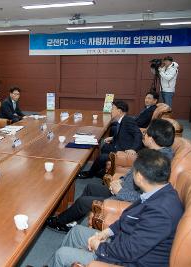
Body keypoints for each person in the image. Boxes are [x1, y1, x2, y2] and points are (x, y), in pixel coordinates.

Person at [50, 149, 183, 267]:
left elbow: (130, 252)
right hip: (121, 241)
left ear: (140, 177)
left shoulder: (161, 212)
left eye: (134, 171)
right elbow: (128, 219)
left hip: (128, 261)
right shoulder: (158, 192)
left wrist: (99, 246)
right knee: (76, 231)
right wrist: (106, 232)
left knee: (62, 255)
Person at [46, 118, 175, 232]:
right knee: (90, 188)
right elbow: (134, 174)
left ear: (151, 139)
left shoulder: (158, 163)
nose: (143, 134)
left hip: (125, 198)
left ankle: (59, 222)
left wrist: (120, 191)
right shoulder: (156, 154)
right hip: (124, 188)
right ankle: (71, 220)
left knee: (83, 202)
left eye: (146, 133)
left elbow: (146, 196)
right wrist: (120, 181)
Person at [78, 100, 142, 179]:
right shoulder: (122, 120)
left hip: (123, 150)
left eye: (113, 108)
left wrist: (133, 149)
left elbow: (138, 134)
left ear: (119, 111)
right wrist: (112, 138)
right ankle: (103, 170)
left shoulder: (127, 120)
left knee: (101, 157)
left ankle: (90, 174)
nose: (111, 111)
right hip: (119, 145)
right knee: (105, 147)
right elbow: (123, 133)